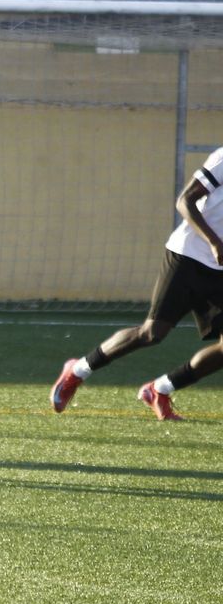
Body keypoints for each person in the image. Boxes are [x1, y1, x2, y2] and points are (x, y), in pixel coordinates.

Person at [51, 146, 223, 421]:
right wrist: (214, 242)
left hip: (221, 269)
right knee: (152, 333)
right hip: (188, 255)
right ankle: (78, 370)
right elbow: (185, 202)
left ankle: (159, 389)